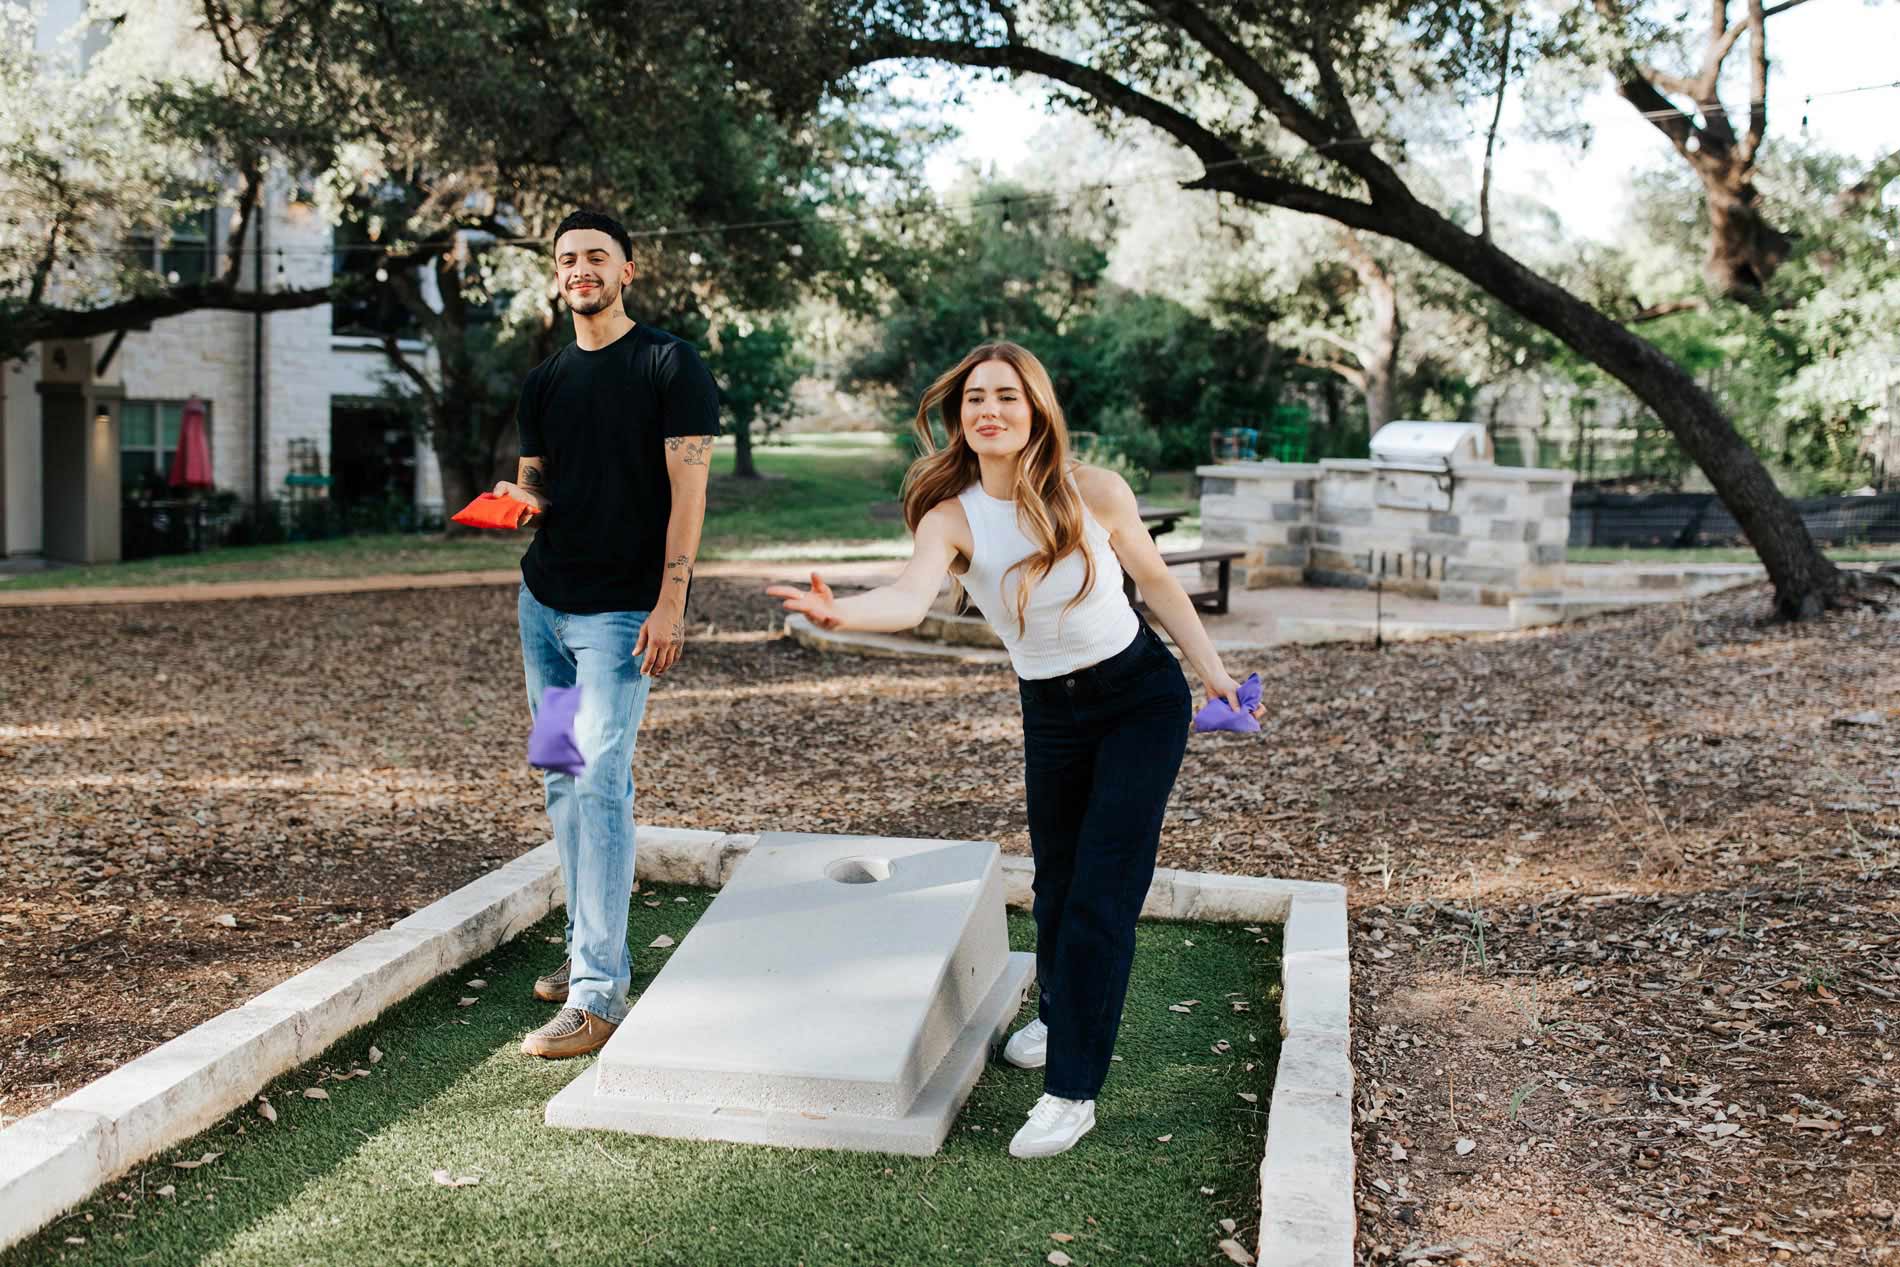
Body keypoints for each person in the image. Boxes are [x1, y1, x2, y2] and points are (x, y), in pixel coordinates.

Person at [768, 341, 1264, 1157]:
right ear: (959, 415)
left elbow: (1157, 582)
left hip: (1139, 699)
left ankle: (1071, 1091)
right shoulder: (950, 514)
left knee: (1102, 893)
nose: (989, 410)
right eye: (974, 398)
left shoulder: (1094, 491)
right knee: (1056, 884)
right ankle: (1060, 1012)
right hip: (1051, 710)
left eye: (1006, 395)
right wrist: (841, 611)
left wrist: (1213, 674)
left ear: (1036, 408)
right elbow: (909, 597)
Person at [493, 210, 720, 1059]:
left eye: (596, 256)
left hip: (621, 617)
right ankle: (588, 948)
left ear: (628, 270)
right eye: (567, 259)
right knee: (561, 775)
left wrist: (672, 602)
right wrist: (519, 503)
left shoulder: (669, 364)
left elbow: (689, 494)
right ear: (556, 275)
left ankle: (598, 994)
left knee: (600, 781)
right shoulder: (544, 381)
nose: (580, 268)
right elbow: (539, 485)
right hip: (544, 612)